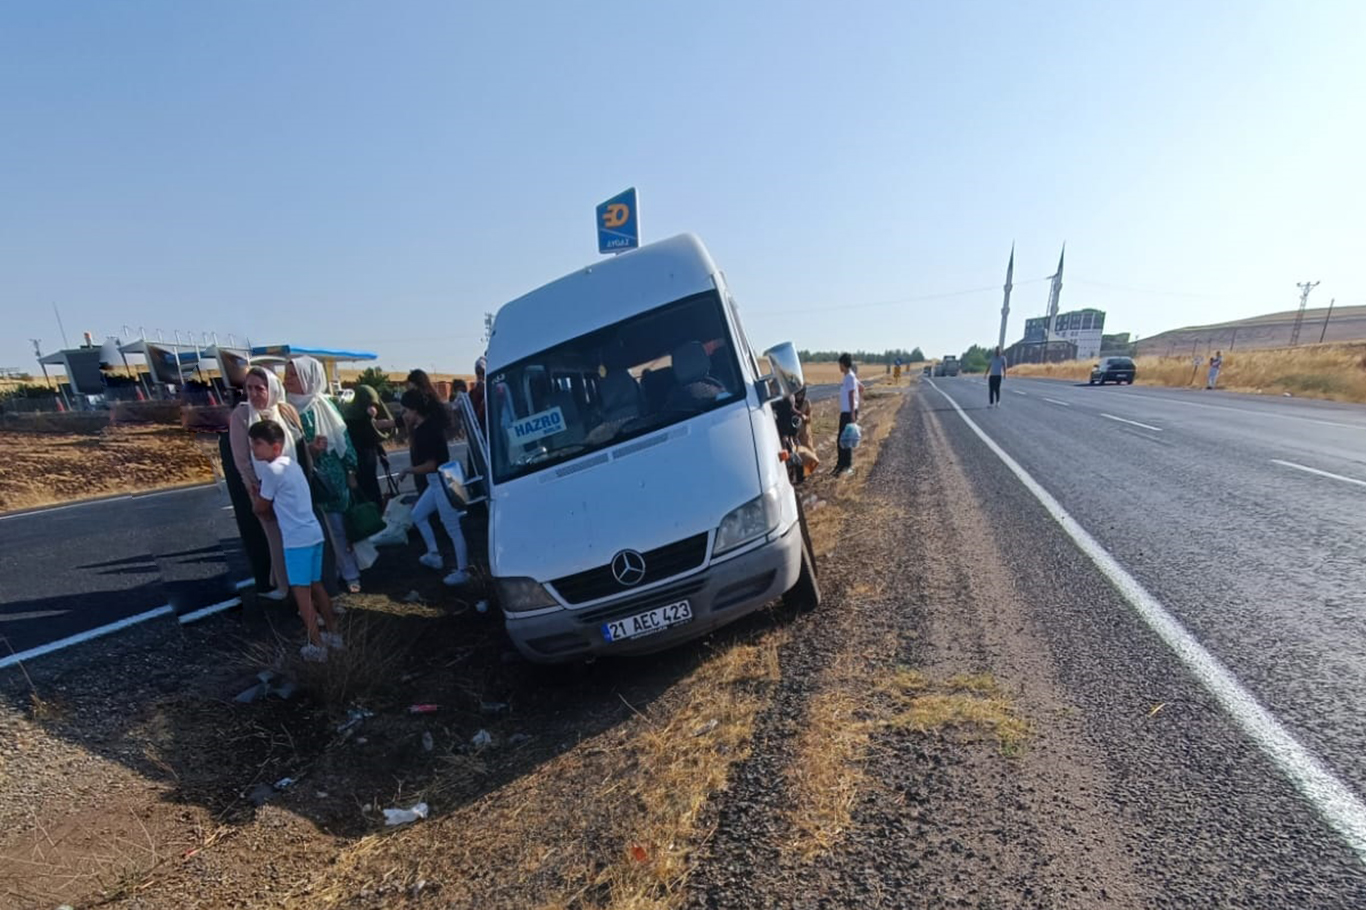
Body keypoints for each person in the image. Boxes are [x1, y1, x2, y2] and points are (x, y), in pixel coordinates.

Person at [247, 419, 343, 663]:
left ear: (275, 446)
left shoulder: (271, 470)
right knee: (317, 584)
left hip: (296, 540)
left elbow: (261, 507)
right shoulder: (292, 464)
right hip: (313, 532)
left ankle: (317, 645)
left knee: (302, 594)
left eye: (258, 444)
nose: (254, 449)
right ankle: (334, 634)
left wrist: (255, 497)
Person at [285, 356, 363, 593]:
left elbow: (343, 439)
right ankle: (331, 572)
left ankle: (350, 573)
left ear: (309, 378)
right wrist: (309, 452)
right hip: (304, 478)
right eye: (287, 375)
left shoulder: (324, 405)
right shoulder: (285, 409)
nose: (287, 380)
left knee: (338, 529)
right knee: (318, 531)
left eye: (293, 375)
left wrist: (351, 470)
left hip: (332, 478)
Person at [228, 366, 306, 601]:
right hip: (263, 488)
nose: (253, 394)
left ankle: (301, 586)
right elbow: (242, 459)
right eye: (248, 388)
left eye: (259, 388)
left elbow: (300, 446)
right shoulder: (241, 416)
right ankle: (286, 588)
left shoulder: (285, 410)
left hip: (292, 486)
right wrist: (257, 490)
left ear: (271, 389)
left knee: (297, 538)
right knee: (276, 538)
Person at [399, 389, 471, 587]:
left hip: (442, 481)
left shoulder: (425, 431)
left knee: (453, 528)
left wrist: (408, 470)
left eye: (405, 411)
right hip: (439, 480)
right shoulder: (427, 426)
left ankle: (463, 571)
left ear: (415, 410)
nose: (403, 415)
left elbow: (431, 464)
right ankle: (434, 554)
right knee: (418, 515)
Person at [344, 384, 394, 507]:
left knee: (373, 491)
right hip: (357, 464)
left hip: (369, 461)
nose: (372, 407)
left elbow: (376, 435)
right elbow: (361, 434)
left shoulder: (365, 418)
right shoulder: (351, 419)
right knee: (364, 498)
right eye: (369, 404)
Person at [834, 353, 859, 476]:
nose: (839, 367)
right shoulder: (850, 377)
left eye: (840, 364)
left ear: (843, 364)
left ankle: (846, 465)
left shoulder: (849, 377)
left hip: (848, 413)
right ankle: (841, 464)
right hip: (847, 412)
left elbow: (851, 394)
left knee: (844, 440)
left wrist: (853, 414)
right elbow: (861, 388)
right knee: (842, 440)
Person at [469, 357, 487, 429]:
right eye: (478, 373)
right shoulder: (472, 393)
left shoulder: (493, 390)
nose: (480, 376)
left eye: (482, 373)